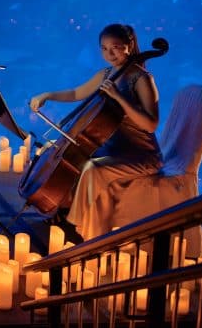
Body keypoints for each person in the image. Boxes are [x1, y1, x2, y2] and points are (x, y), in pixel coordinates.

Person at [28, 22, 161, 242]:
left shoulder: (142, 79)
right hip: (115, 146)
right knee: (76, 157)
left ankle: (75, 226)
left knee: (92, 168)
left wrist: (119, 97)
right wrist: (47, 95)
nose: (110, 54)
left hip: (142, 155)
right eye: (104, 48)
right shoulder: (107, 73)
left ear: (130, 45)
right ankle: (63, 210)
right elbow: (77, 93)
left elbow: (151, 124)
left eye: (116, 47)